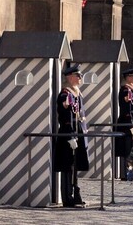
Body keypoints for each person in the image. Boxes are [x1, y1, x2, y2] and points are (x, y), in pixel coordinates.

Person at [53, 63, 89, 208]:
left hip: (77, 134)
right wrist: (70, 137)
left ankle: (75, 194)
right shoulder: (65, 94)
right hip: (69, 135)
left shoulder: (76, 93)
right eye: (78, 75)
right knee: (67, 167)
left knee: (74, 167)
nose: (80, 78)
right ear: (70, 77)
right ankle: (67, 197)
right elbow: (66, 117)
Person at [116, 68, 133, 179]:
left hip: (132, 121)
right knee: (127, 149)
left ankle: (130, 172)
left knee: (131, 148)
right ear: (128, 77)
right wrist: (131, 125)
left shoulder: (132, 90)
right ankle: (125, 173)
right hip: (127, 123)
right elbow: (126, 109)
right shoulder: (126, 91)